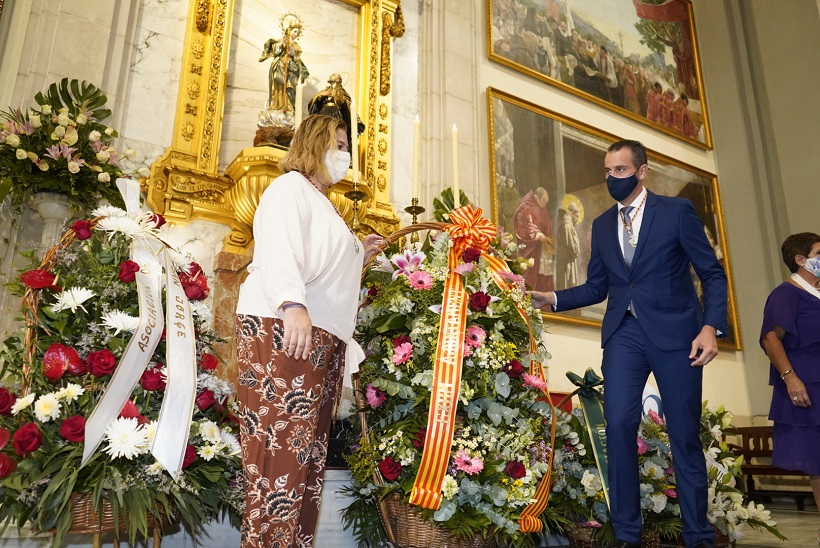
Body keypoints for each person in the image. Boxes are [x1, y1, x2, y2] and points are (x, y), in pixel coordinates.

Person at [530, 140, 727, 548]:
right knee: (618, 425)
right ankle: (626, 536)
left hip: (678, 336)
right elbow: (599, 286)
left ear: (641, 172)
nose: (611, 178)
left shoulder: (675, 213)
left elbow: (712, 274)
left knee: (684, 437)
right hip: (624, 334)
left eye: (620, 170)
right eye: (607, 171)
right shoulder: (601, 225)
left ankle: (698, 538)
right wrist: (553, 298)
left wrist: (711, 328)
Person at [234, 114, 382, 547]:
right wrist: (292, 303)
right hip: (286, 332)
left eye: (346, 146)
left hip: (319, 341)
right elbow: (279, 243)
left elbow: (324, 264)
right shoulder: (289, 188)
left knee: (306, 469)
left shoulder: (324, 202)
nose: (344, 154)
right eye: (337, 144)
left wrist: (360, 252)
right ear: (313, 144)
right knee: (279, 471)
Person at [760, 232, 820, 520]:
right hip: (809, 386)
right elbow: (771, 338)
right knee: (819, 463)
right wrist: (789, 376)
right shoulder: (785, 294)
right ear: (801, 260)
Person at [259, 19, 310, 112]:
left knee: (289, 87)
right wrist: (281, 44)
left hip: (290, 68)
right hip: (279, 66)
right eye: (294, 31)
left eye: (297, 33)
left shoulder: (296, 45)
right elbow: (276, 52)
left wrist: (290, 48)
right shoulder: (280, 40)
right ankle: (277, 105)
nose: (295, 34)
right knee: (279, 85)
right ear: (289, 30)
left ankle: (288, 106)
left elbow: (296, 56)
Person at [513, 186, 555, 292]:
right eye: (544, 201)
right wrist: (538, 234)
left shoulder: (541, 207)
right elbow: (524, 224)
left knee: (543, 279)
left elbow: (547, 222)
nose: (545, 204)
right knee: (530, 276)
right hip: (530, 248)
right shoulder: (525, 207)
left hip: (541, 248)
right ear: (537, 197)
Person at [555, 199, 582, 290]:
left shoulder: (566, 225)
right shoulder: (567, 226)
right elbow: (570, 245)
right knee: (567, 282)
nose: (577, 219)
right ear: (573, 213)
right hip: (567, 260)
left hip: (566, 259)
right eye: (577, 216)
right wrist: (576, 251)